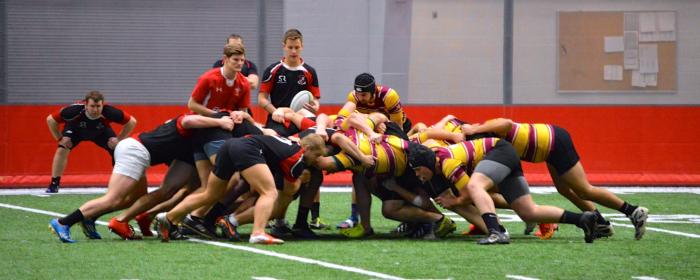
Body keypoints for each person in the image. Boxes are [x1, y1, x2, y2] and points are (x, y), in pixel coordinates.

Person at [48, 114, 233, 243]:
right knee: (113, 198)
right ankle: (63, 222)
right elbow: (189, 119)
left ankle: (91, 216)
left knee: (133, 199)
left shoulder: (194, 142)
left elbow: (171, 187)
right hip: (135, 151)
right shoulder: (189, 122)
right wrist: (221, 122)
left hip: (140, 154)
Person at [461, 118, 649, 240]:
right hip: (547, 149)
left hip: (554, 143)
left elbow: (507, 124)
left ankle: (632, 211)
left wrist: (474, 128)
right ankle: (600, 222)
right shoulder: (486, 140)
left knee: (584, 189)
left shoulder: (490, 128)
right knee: (565, 190)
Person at [406, 139, 601, 244]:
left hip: (499, 151)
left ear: (427, 164)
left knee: (475, 187)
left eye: (418, 170)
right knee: (528, 212)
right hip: (502, 155)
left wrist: (454, 203)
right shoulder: (438, 164)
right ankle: (583, 219)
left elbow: (467, 195)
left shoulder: (447, 163)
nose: (418, 175)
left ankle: (496, 232)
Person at [156, 134, 326, 244]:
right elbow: (289, 189)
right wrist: (300, 182)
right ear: (308, 149)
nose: (317, 160)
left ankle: (168, 218)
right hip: (247, 149)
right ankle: (258, 232)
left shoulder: (290, 143)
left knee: (210, 194)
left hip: (231, 145)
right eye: (317, 155)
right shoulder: (298, 157)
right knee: (269, 192)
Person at [45, 91, 137, 193]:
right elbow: (50, 120)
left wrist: (119, 139)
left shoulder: (109, 112)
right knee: (62, 148)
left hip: (100, 131)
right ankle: (54, 184)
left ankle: (119, 185)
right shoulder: (73, 111)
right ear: (86, 105)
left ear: (103, 104)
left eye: (98, 106)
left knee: (118, 149)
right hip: (75, 129)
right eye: (92, 106)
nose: (95, 110)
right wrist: (59, 138)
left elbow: (132, 121)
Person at [258, 28, 320, 126]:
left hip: (302, 118)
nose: (294, 51)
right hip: (278, 119)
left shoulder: (310, 72)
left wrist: (315, 106)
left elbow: (315, 99)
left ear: (302, 46)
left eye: (297, 47)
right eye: (290, 47)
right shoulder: (272, 70)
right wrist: (276, 112)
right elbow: (262, 99)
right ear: (284, 46)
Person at [189, 43, 251, 117]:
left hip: (228, 122)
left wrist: (239, 116)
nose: (240, 63)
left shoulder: (244, 83)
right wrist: (217, 115)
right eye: (236, 59)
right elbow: (192, 104)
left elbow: (243, 111)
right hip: (203, 120)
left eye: (242, 60)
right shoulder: (208, 78)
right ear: (225, 59)